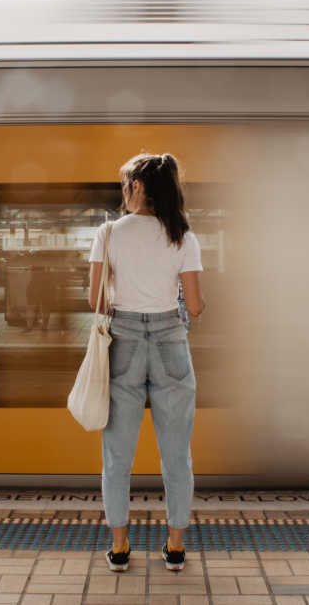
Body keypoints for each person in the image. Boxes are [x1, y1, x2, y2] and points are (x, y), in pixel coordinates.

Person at [88, 152, 205, 573]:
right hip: (171, 342)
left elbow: (95, 301)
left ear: (137, 186)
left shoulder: (107, 233)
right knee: (176, 454)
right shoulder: (182, 236)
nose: (123, 191)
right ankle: (174, 547)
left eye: (125, 183)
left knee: (117, 455)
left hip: (125, 344)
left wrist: (127, 299)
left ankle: (119, 548)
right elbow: (194, 305)